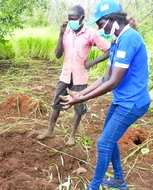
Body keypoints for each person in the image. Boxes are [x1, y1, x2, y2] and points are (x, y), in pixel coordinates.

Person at [60, 0, 151, 190]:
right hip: (122, 99)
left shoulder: (129, 39)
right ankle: (119, 180)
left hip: (133, 103)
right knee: (108, 139)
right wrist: (78, 95)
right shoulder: (118, 40)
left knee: (104, 143)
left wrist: (81, 98)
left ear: (112, 21)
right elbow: (105, 77)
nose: (100, 29)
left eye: (101, 24)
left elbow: (113, 82)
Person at [37, 5, 110, 146]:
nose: (71, 21)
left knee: (78, 106)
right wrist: (60, 33)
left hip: (79, 77)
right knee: (56, 104)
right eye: (69, 18)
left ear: (82, 18)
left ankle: (72, 135)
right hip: (65, 75)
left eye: (74, 19)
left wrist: (92, 62)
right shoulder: (67, 31)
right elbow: (58, 55)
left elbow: (108, 50)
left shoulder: (90, 33)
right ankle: (50, 130)